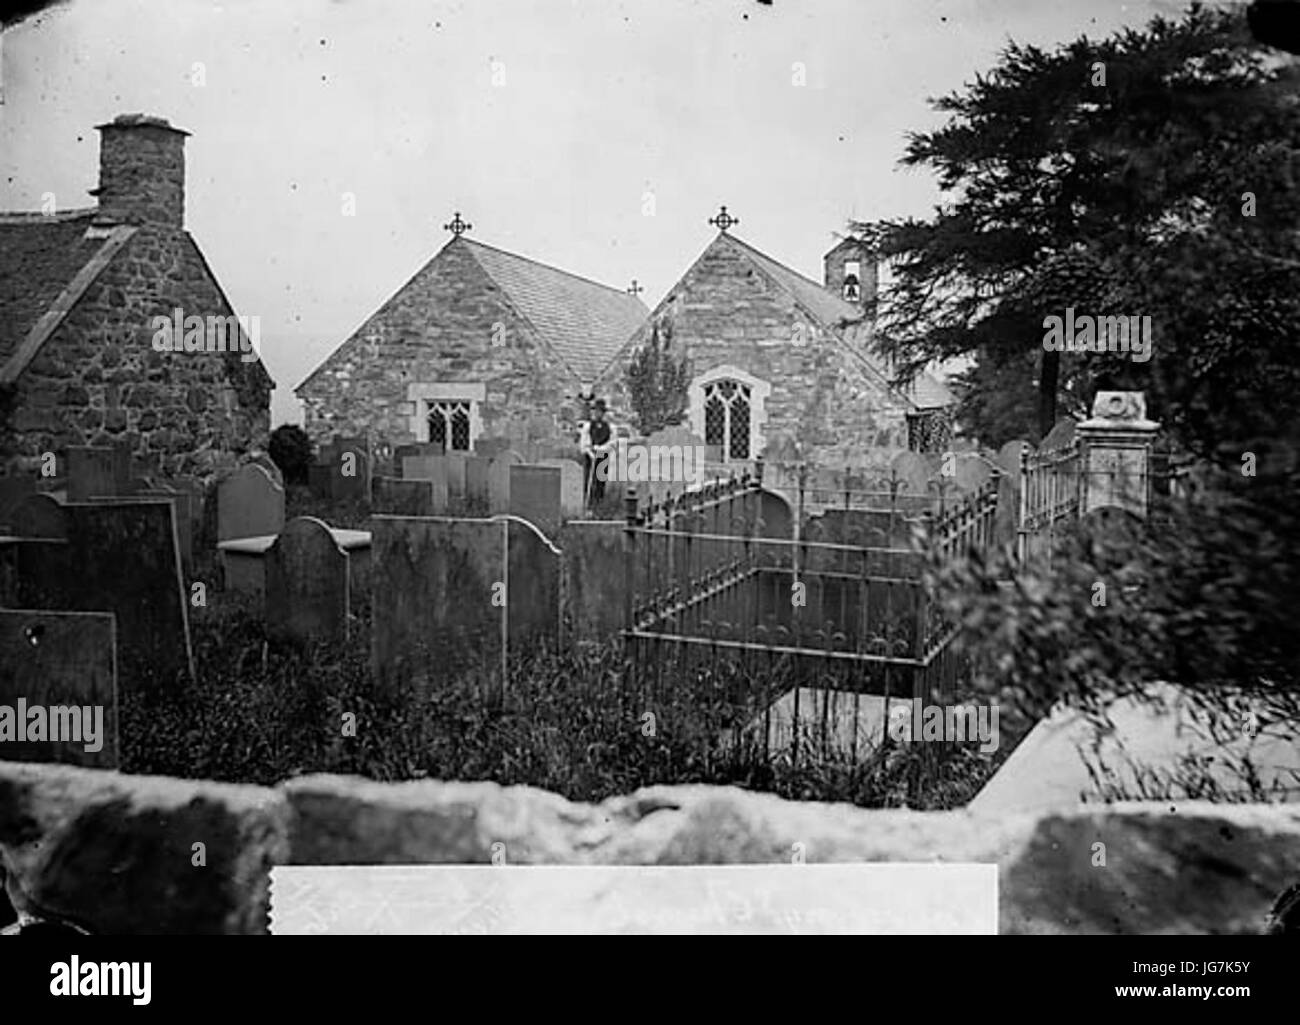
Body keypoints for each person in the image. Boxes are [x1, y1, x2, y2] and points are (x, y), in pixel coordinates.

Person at [579, 398, 613, 508]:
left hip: (603, 456)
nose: (599, 414)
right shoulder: (588, 426)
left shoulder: (609, 427)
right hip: (590, 456)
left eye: (601, 411)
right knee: (589, 479)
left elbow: (611, 443)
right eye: (597, 411)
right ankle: (587, 504)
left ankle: (598, 505)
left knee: (600, 482)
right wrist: (590, 451)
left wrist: (601, 449)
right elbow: (584, 443)